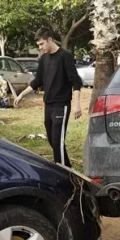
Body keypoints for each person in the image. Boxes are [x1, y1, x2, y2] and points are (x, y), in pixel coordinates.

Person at [14, 28, 82, 167]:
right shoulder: (44, 58)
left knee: (57, 142)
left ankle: (63, 175)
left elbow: (76, 82)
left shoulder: (65, 56)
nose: (40, 48)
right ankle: (67, 169)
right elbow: (37, 81)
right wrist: (21, 95)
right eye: (38, 45)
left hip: (61, 106)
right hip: (48, 105)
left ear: (50, 40)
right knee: (52, 141)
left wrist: (77, 104)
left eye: (41, 44)